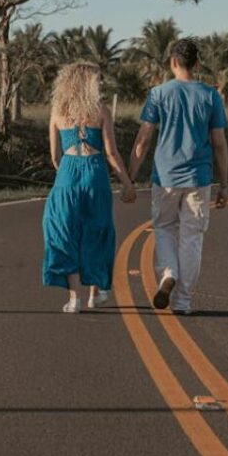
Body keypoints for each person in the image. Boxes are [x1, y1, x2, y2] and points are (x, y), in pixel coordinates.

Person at [128, 39, 228, 315]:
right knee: (192, 237)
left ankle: (168, 273)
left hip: (166, 177)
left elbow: (143, 139)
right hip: (199, 178)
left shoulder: (159, 94)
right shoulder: (211, 96)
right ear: (197, 64)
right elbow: (219, 143)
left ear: (173, 62)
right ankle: (183, 301)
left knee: (164, 228)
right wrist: (224, 184)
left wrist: (130, 177)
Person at [42, 62, 136, 313]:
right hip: (96, 174)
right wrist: (127, 184)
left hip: (67, 174)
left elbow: (54, 156)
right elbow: (112, 153)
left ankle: (75, 299)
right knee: (98, 229)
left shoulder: (57, 112)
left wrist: (67, 173)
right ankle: (96, 292)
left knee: (63, 232)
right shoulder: (102, 111)